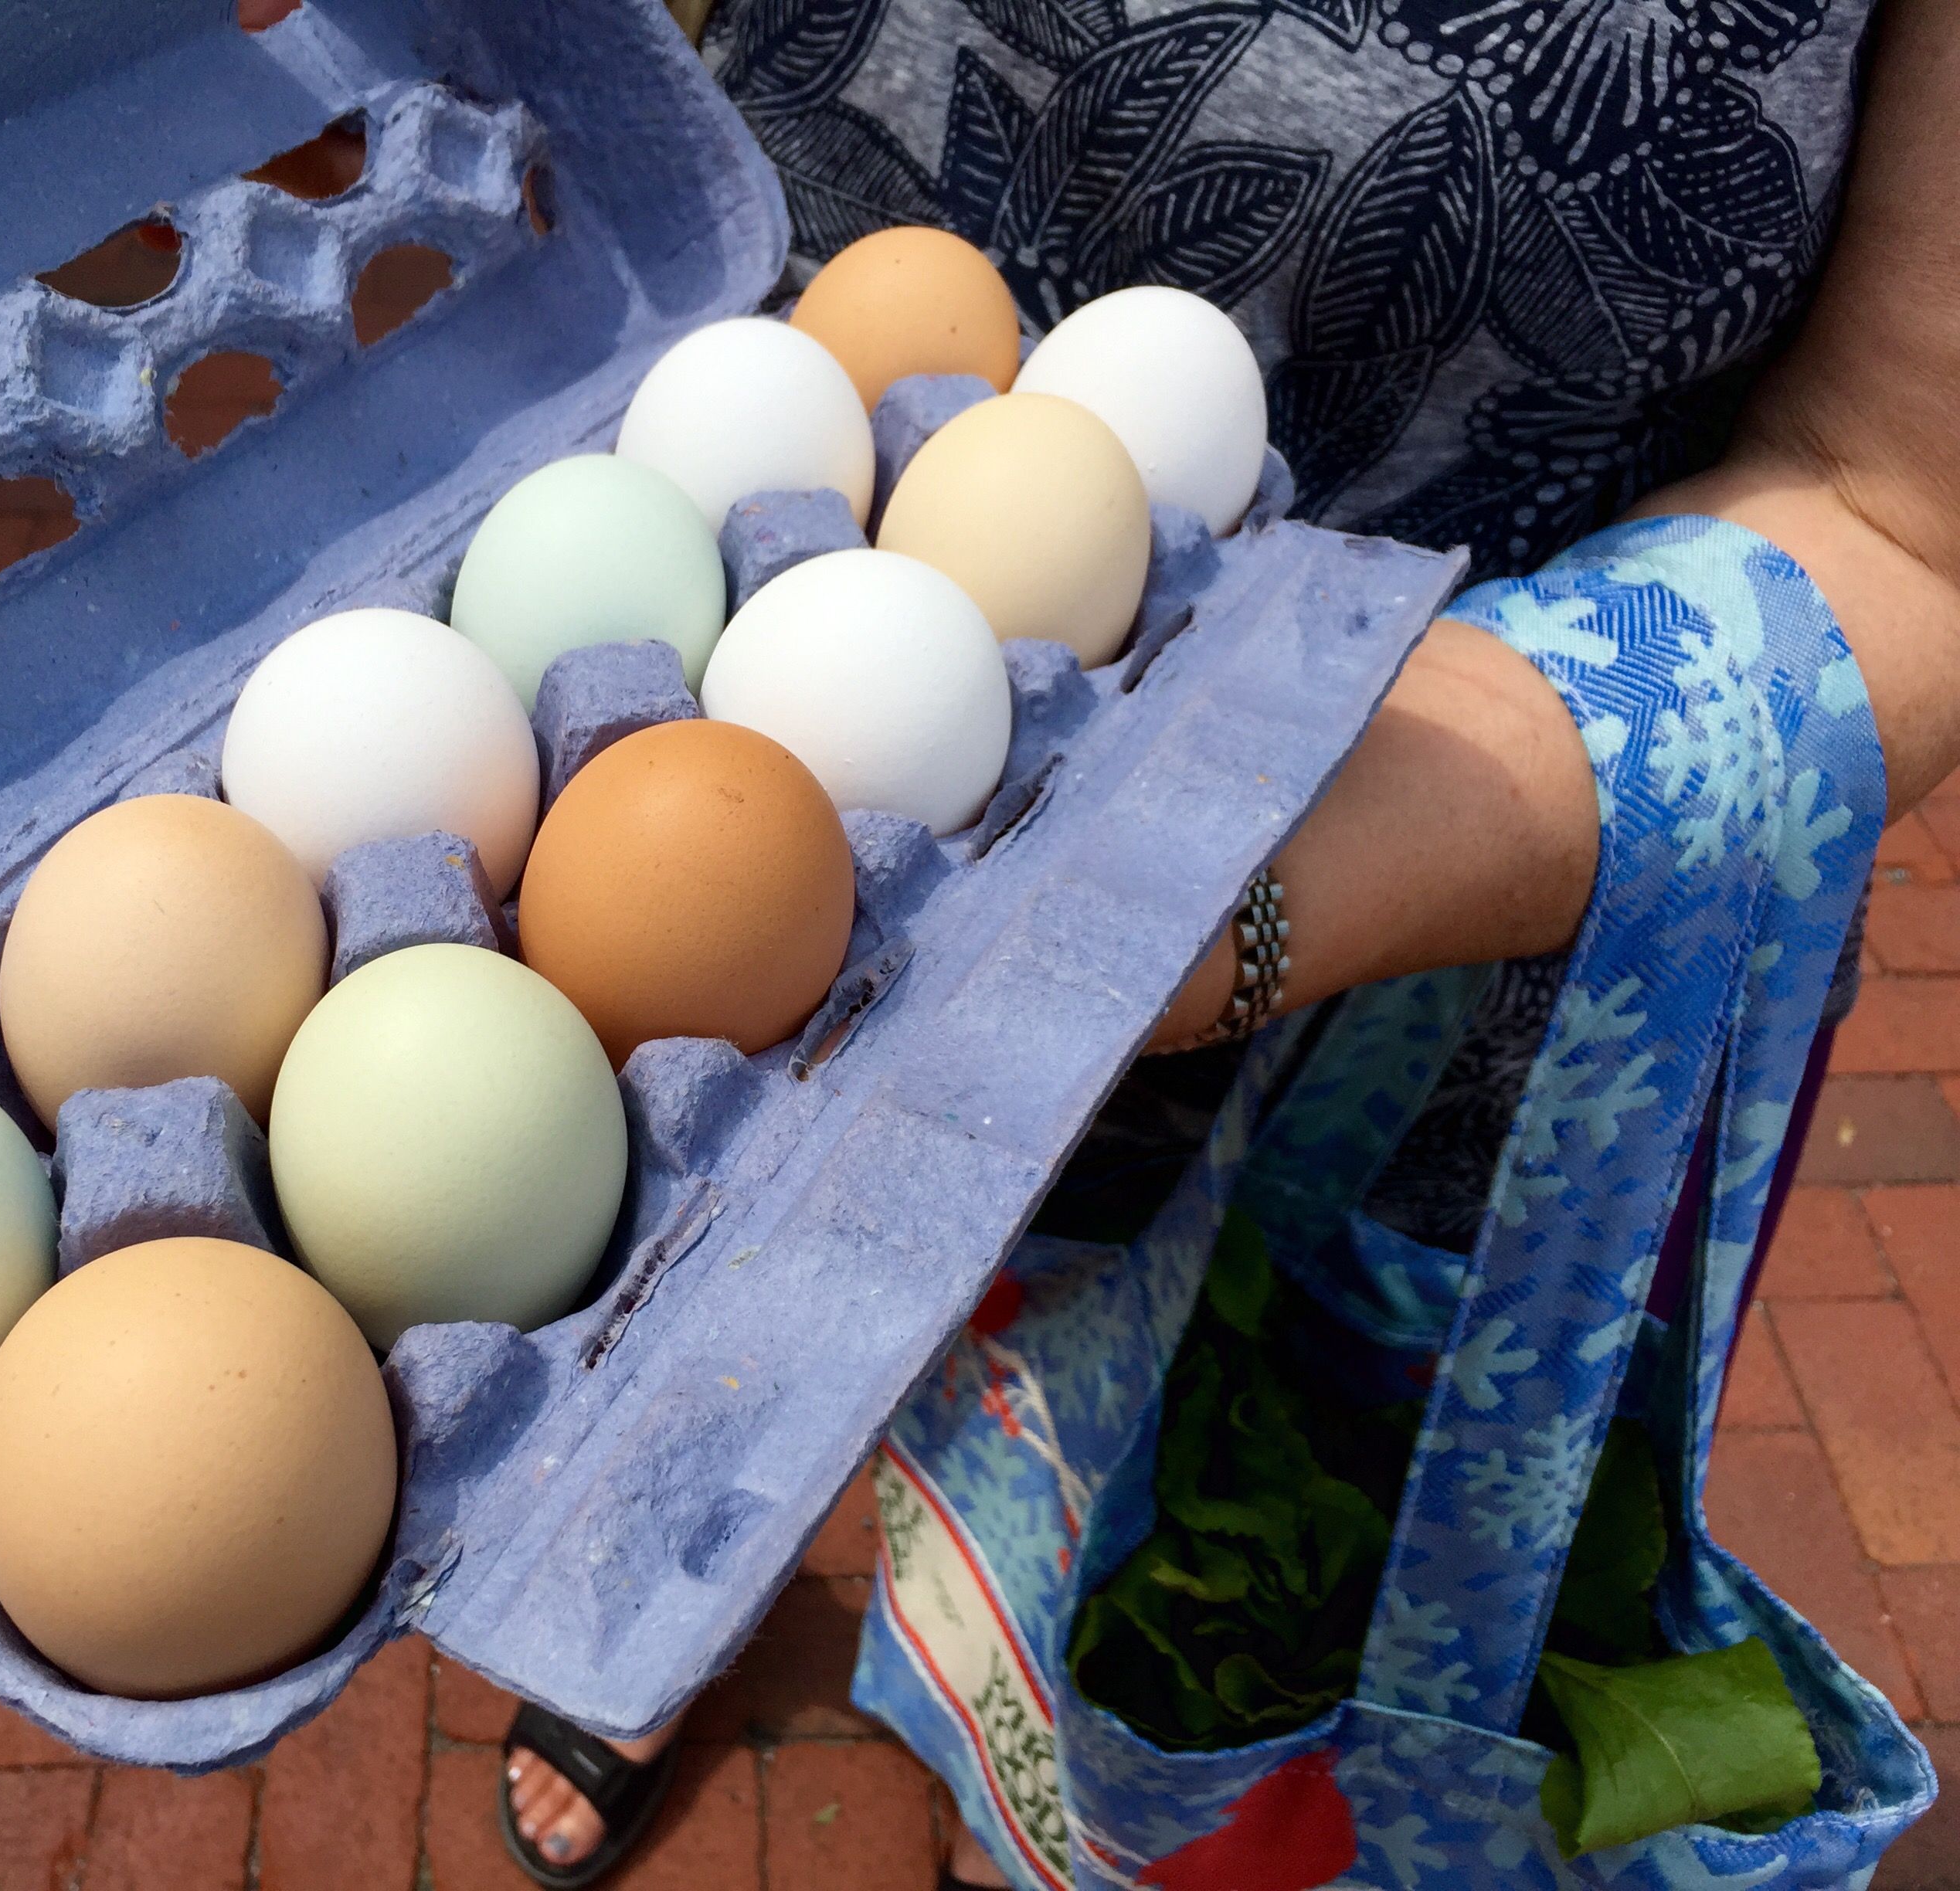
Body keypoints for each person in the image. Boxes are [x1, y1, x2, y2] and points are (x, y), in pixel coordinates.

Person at [498, 0, 1960, 1883]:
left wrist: (1231, 898)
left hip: (1416, 916)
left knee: (1139, 1492)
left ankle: (1023, 1773)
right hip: (724, 590)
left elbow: (1906, 518)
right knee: (688, 1295)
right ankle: (671, 1598)